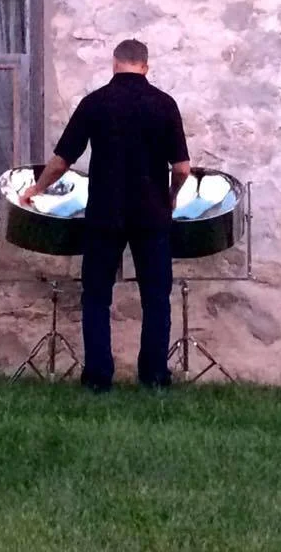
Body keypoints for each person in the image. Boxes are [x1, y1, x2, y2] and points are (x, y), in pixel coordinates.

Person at [19, 39, 191, 392]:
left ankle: (98, 378)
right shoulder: (164, 104)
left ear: (115, 64)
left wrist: (37, 189)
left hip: (104, 213)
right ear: (146, 66)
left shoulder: (95, 103)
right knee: (156, 297)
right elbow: (183, 168)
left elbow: (62, 160)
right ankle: (155, 377)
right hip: (152, 214)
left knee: (97, 296)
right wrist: (170, 196)